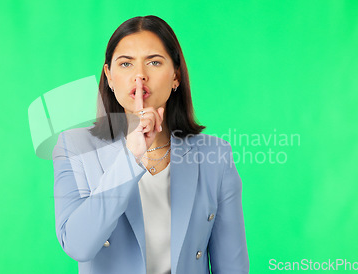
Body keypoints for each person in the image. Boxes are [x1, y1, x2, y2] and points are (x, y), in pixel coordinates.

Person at [52, 15, 249, 274]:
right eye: (125, 64)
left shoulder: (216, 155)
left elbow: (232, 267)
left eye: (154, 62)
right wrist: (130, 155)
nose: (139, 76)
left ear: (175, 75)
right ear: (109, 77)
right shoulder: (74, 147)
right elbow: (78, 245)